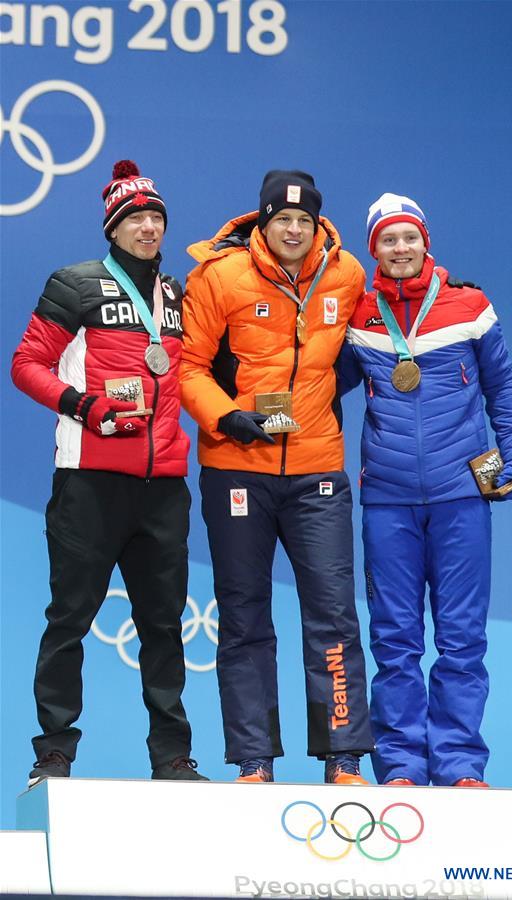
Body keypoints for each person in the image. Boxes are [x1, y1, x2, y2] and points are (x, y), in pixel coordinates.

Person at [12, 160, 208, 786]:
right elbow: (25, 364)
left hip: (163, 487)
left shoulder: (178, 295)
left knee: (163, 626)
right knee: (69, 619)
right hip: (89, 482)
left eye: (156, 218)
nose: (149, 228)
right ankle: (54, 756)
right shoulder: (74, 284)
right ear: (113, 228)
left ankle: (172, 759)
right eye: (136, 219)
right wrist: (86, 406)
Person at [180, 170, 374, 784]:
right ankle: (254, 762)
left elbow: (358, 353)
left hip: (318, 469)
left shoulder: (345, 274)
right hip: (237, 470)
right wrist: (227, 416)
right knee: (243, 617)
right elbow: (188, 368)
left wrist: (313, 405)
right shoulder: (219, 276)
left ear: (317, 224)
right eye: (281, 219)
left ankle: (343, 756)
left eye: (304, 220)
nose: (293, 229)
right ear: (262, 221)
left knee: (335, 614)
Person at [337, 193, 512, 788]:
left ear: (426, 241)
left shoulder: (470, 306)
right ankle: (400, 764)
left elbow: (503, 388)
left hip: (460, 496)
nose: (400, 249)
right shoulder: (358, 314)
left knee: (462, 636)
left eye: (409, 238)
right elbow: (314, 385)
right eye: (388, 241)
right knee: (394, 638)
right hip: (389, 500)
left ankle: (460, 764)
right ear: (374, 249)